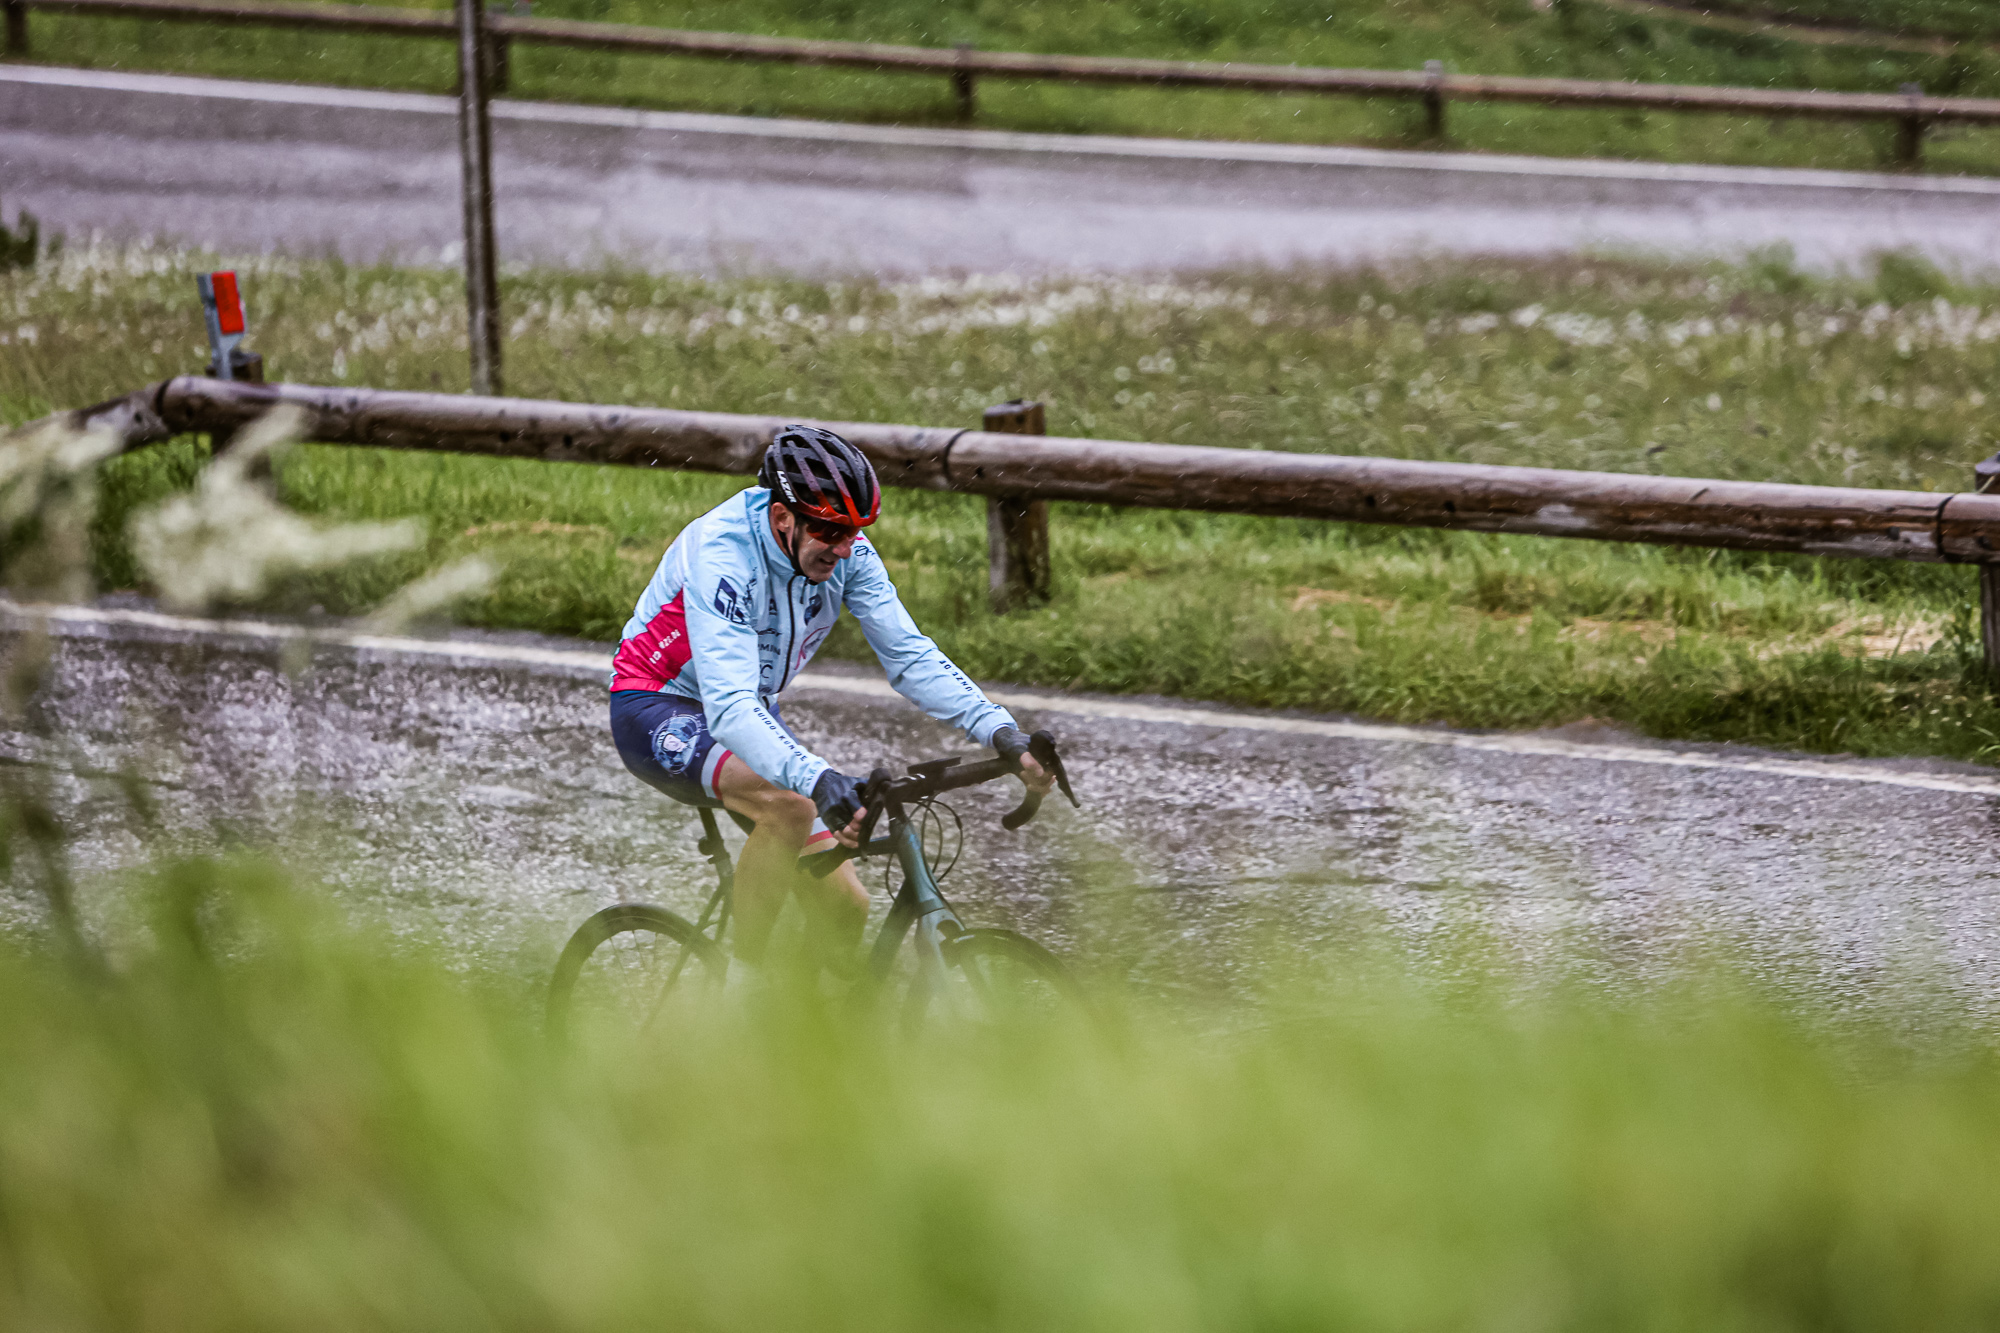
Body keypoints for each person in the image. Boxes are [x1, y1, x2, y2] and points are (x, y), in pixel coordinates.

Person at [608, 423, 1052, 982]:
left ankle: (805, 1038)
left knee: (846, 907)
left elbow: (909, 655)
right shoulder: (723, 554)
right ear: (782, 518)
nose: (845, 549)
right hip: (656, 705)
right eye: (832, 532)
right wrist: (817, 779)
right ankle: (736, 1002)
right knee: (788, 804)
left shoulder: (846, 551)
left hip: (749, 706)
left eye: (855, 532)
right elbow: (729, 708)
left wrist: (999, 730)